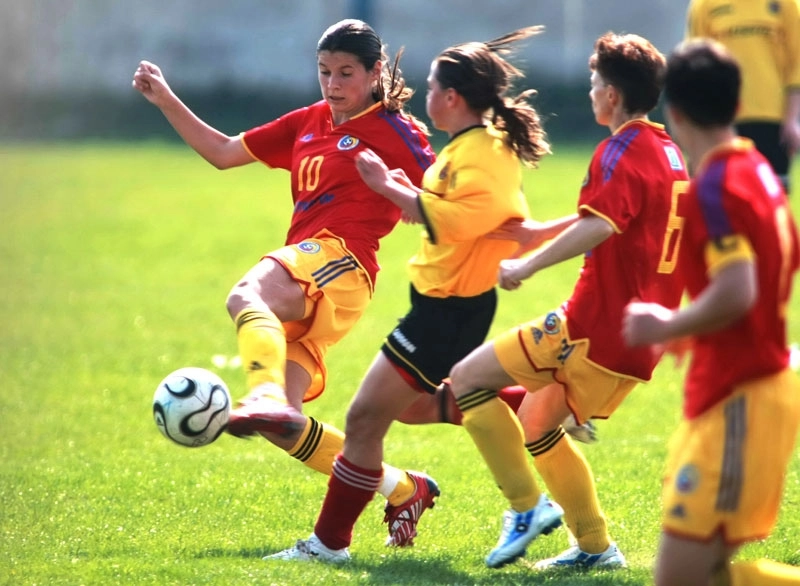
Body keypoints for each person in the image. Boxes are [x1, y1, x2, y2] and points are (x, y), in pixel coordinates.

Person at [132, 19, 443, 546]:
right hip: (311, 274)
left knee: (245, 295)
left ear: (374, 73)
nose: (333, 84)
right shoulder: (309, 120)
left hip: (341, 261)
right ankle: (403, 488)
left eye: (346, 73)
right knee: (284, 426)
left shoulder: (396, 130)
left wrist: (397, 192)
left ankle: (264, 392)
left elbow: (441, 203)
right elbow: (224, 152)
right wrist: (166, 99)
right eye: (324, 71)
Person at [264, 26, 557, 563]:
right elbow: (454, 210)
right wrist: (404, 195)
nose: (425, 96)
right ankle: (540, 408)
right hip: (441, 304)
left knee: (364, 418)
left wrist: (387, 187)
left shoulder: (481, 151)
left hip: (448, 309)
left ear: (452, 97)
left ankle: (329, 544)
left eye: (433, 88)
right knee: (419, 405)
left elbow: (454, 219)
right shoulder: (466, 148)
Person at [445, 31, 690, 570]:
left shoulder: (619, 149)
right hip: (637, 335)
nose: (590, 92)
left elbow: (599, 226)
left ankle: (526, 508)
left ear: (612, 94)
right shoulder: (670, 152)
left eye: (595, 83)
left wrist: (526, 265)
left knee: (465, 380)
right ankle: (596, 548)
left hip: (593, 328)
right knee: (537, 419)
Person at [623, 38, 800, 586]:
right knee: (708, 574)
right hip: (744, 388)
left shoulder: (714, 189)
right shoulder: (759, 170)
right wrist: (699, 328)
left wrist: (667, 323)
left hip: (739, 394)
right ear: (738, 103)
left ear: (673, 112)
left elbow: (739, 289)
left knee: (679, 578)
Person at [685, 0, 800, 193]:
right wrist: (698, 124)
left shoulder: (788, 4)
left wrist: (792, 118)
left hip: (774, 122)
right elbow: (694, 67)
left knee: (772, 199)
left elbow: (797, 65)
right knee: (721, 198)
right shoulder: (705, 5)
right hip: (720, 121)